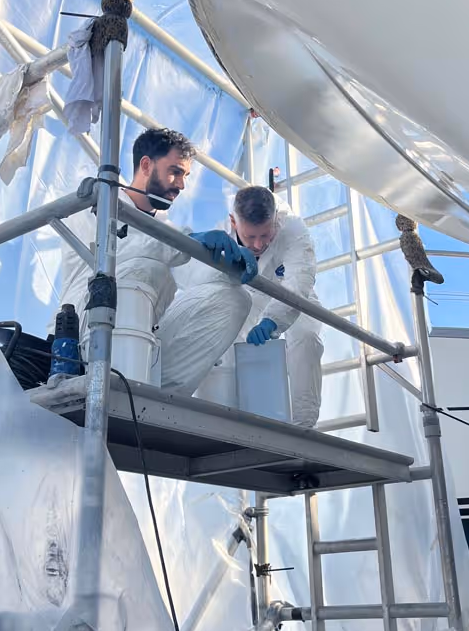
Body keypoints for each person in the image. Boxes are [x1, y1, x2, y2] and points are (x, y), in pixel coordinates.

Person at [55, 127, 257, 393]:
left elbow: (195, 277)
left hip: (141, 340)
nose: (182, 185)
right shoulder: (98, 204)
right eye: (175, 171)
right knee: (149, 268)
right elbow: (128, 249)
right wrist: (189, 241)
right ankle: (119, 380)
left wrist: (230, 266)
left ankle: (156, 394)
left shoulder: (165, 229)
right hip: (86, 338)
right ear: (147, 165)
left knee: (236, 299)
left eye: (185, 176)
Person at [190, 185, 324, 428]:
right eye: (251, 237)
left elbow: (299, 279)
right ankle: (233, 422)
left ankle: (303, 427)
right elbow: (196, 282)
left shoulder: (293, 227)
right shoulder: (218, 227)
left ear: (275, 220)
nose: (259, 244)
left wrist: (273, 319)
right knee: (227, 349)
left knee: (306, 337)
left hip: (289, 293)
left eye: (266, 234)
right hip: (242, 293)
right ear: (233, 221)